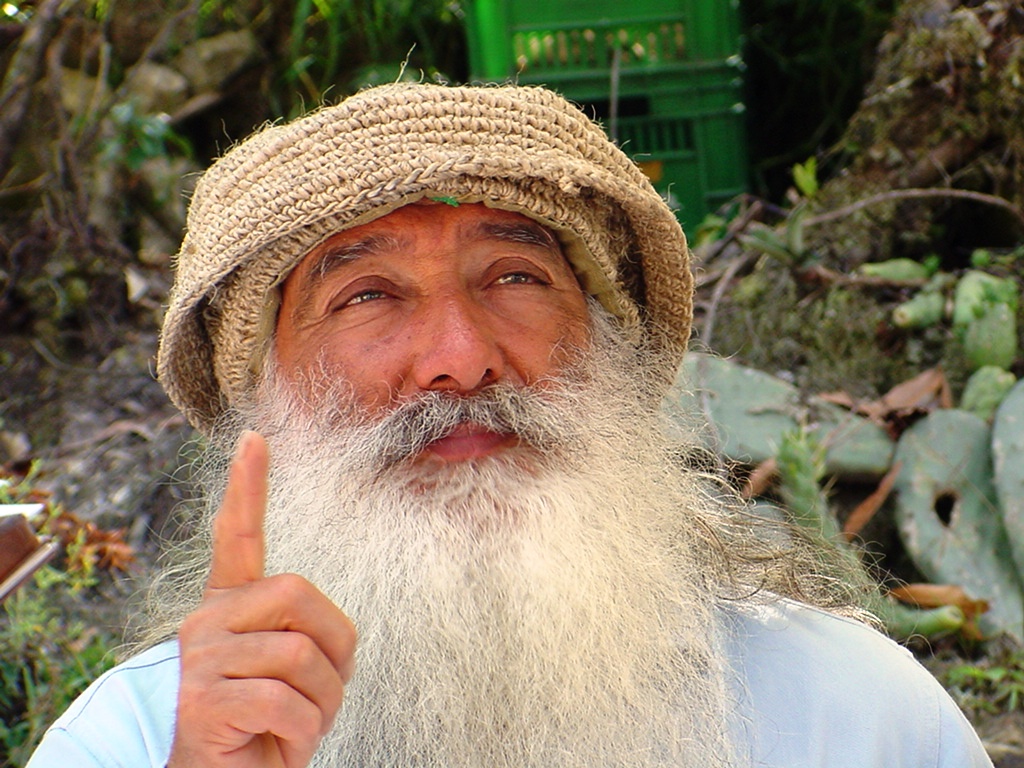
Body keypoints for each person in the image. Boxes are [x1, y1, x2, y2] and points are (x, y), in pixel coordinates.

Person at [28, 82, 991, 768]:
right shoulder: (138, 743)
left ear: (608, 346)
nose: (460, 357)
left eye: (516, 277)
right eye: (366, 295)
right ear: (263, 394)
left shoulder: (853, 715)